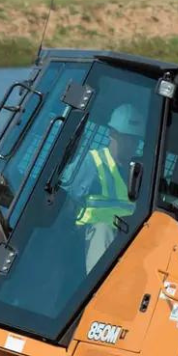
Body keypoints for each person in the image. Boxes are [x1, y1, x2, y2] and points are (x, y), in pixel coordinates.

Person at [70, 103, 146, 273]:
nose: (131, 144)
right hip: (92, 233)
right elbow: (68, 199)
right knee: (103, 230)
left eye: (135, 139)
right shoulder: (92, 162)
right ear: (112, 133)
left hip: (127, 236)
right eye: (126, 137)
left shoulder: (138, 173)